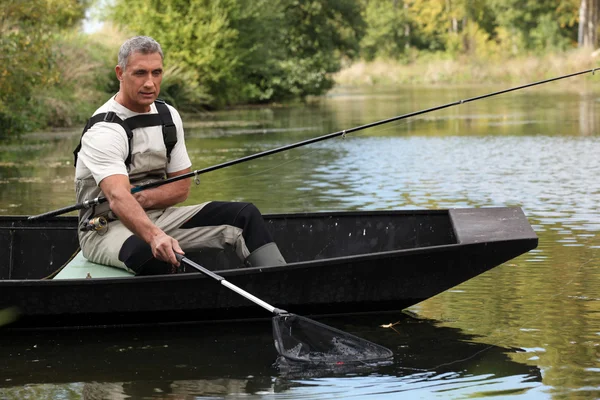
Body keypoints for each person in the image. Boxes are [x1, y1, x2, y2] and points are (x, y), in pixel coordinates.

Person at [74, 36, 286, 275]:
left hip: (162, 218)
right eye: (140, 73)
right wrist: (153, 235)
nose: (149, 83)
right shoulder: (104, 129)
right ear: (120, 73)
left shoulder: (168, 117)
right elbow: (117, 197)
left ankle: (281, 284)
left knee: (244, 216)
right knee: (147, 252)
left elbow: (181, 189)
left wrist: (141, 200)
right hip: (105, 229)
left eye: (157, 73)